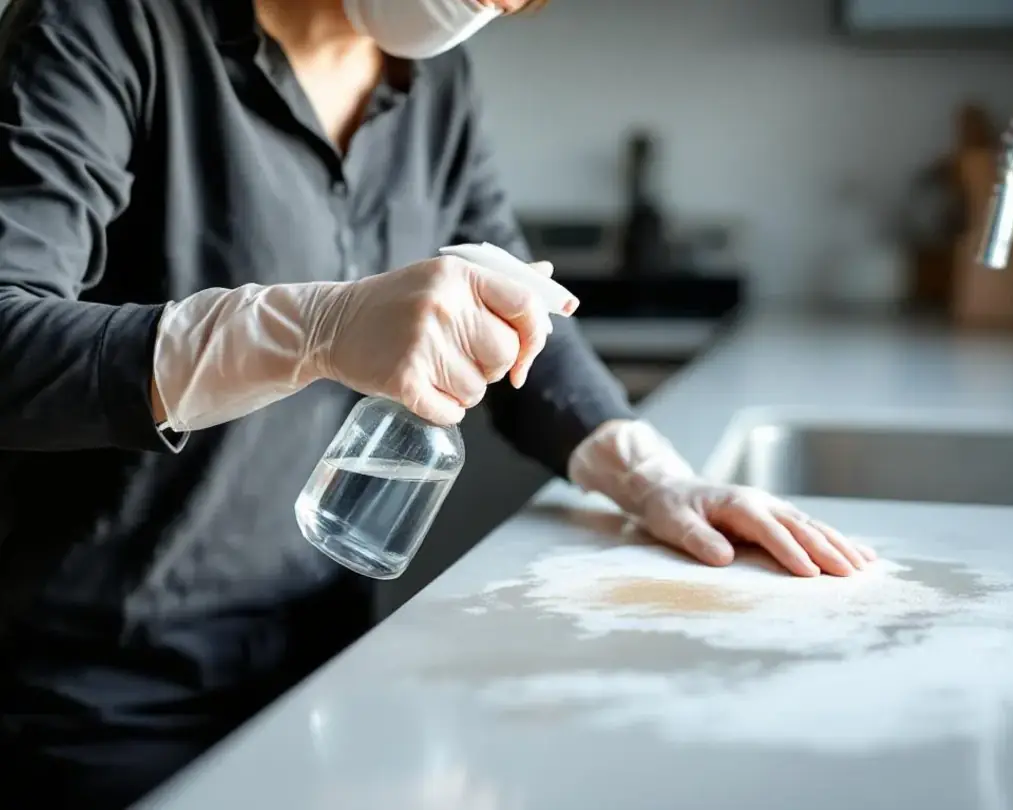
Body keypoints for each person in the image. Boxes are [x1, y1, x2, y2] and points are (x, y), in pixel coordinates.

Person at [0, 0, 877, 805]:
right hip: (101, 692)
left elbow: (517, 302)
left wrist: (649, 477)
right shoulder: (102, 27)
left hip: (323, 666)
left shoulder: (431, 82)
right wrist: (312, 328)